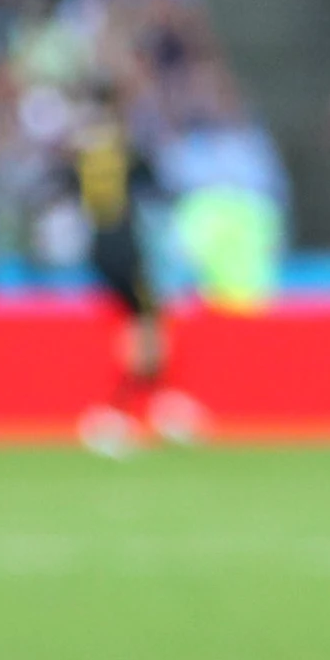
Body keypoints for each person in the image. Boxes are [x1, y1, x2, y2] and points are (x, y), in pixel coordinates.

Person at [70, 80, 197, 451]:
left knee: (141, 320)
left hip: (97, 242)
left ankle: (155, 404)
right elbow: (159, 188)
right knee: (150, 322)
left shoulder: (81, 150)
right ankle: (123, 410)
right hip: (124, 240)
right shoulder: (125, 148)